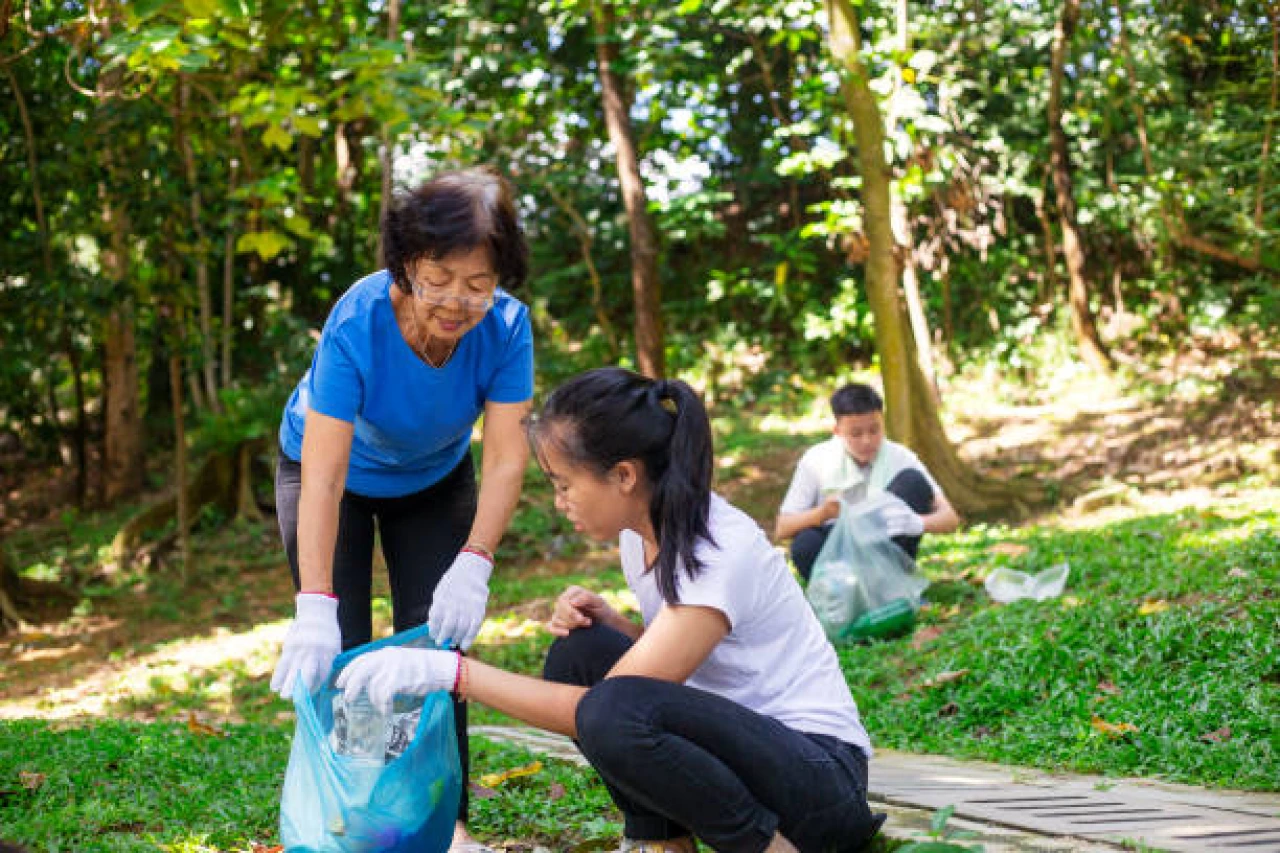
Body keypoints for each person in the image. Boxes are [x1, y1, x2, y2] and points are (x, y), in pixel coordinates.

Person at [337, 368, 884, 853]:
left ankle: (765, 847)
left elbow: (609, 711)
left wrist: (452, 673)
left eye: (564, 484)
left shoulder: (717, 549)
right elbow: (685, 662)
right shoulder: (640, 535)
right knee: (583, 652)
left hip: (819, 782)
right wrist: (617, 624)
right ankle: (659, 840)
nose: (560, 502)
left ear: (624, 476)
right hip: (752, 754)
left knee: (610, 709)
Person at [269, 166, 533, 853]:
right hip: (330, 478)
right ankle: (350, 823)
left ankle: (449, 825)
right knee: (344, 651)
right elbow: (323, 475)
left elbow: (506, 456)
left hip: (434, 481)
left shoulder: (506, 326)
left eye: (479, 283)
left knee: (438, 648)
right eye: (440, 276)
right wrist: (314, 602)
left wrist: (476, 560)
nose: (457, 300)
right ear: (408, 260)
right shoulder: (358, 317)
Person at [775, 383, 960, 582]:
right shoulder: (816, 460)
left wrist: (918, 523)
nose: (867, 441)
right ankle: (844, 596)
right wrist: (825, 512)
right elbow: (783, 528)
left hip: (886, 545)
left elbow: (950, 519)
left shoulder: (900, 457)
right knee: (805, 543)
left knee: (912, 482)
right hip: (840, 554)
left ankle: (890, 585)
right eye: (856, 434)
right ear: (837, 431)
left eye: (874, 430)